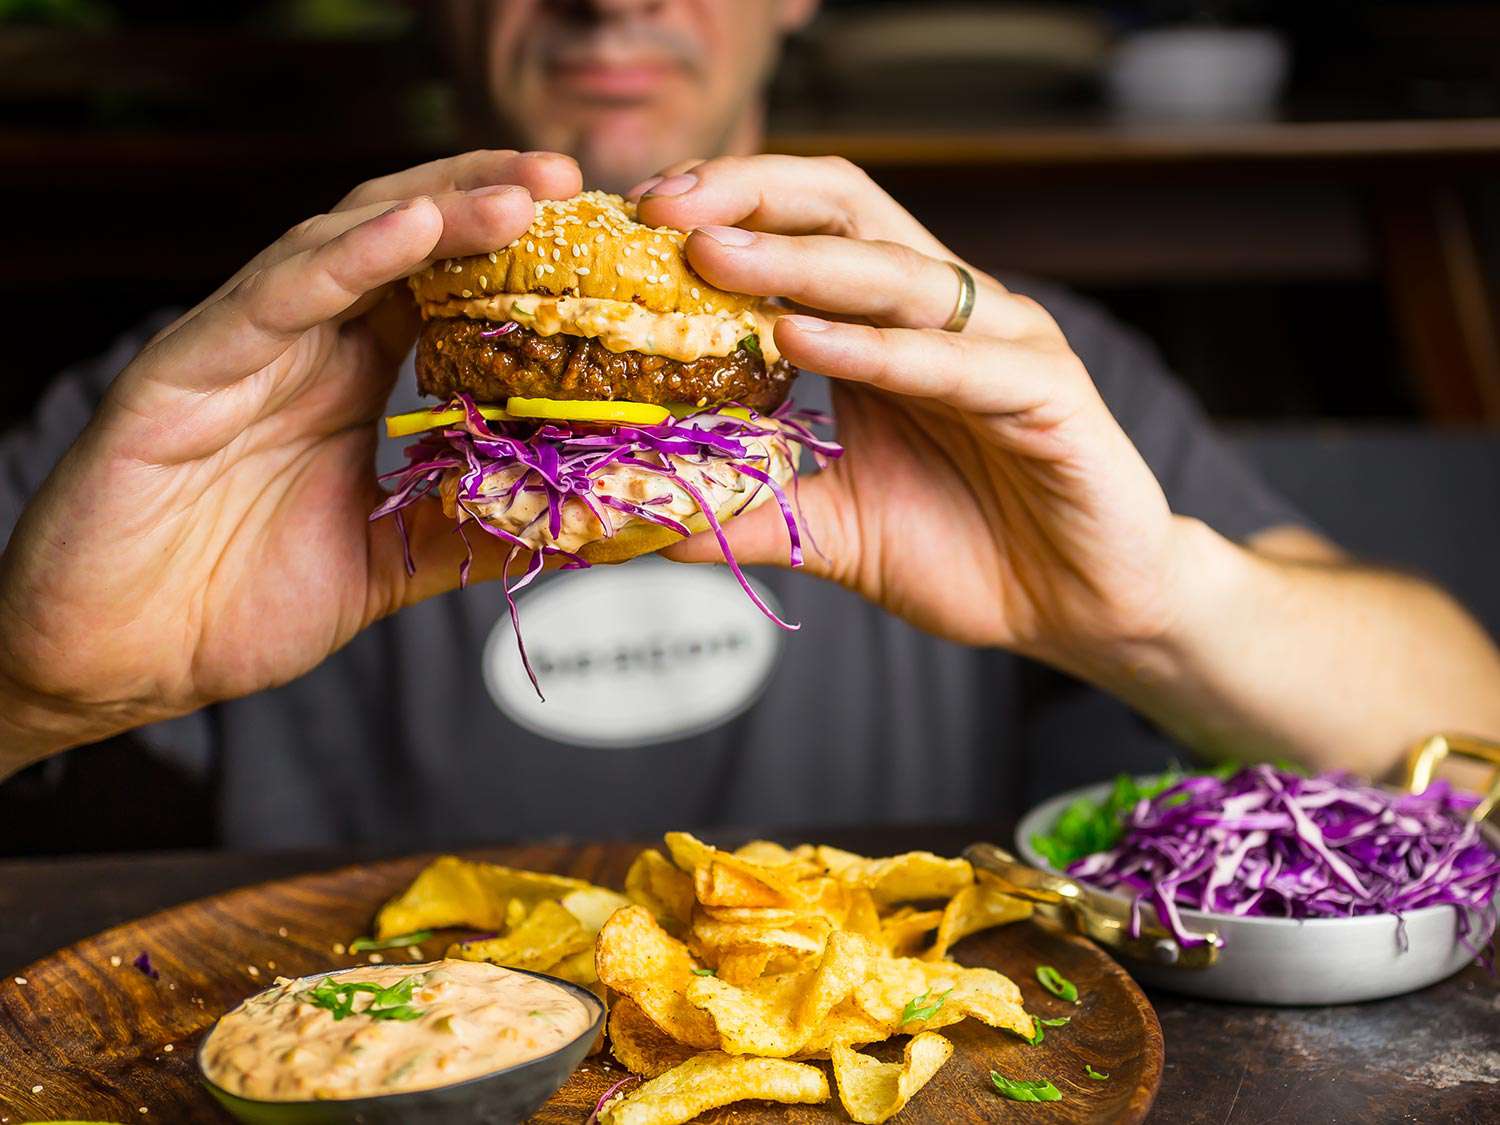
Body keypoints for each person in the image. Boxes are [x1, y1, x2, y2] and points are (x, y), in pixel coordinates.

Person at [1, 0, 1497, 848]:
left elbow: (1472, 728)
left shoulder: (984, 376)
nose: (613, 3)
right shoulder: (200, 414)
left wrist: (1152, 604)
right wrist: (32, 688)